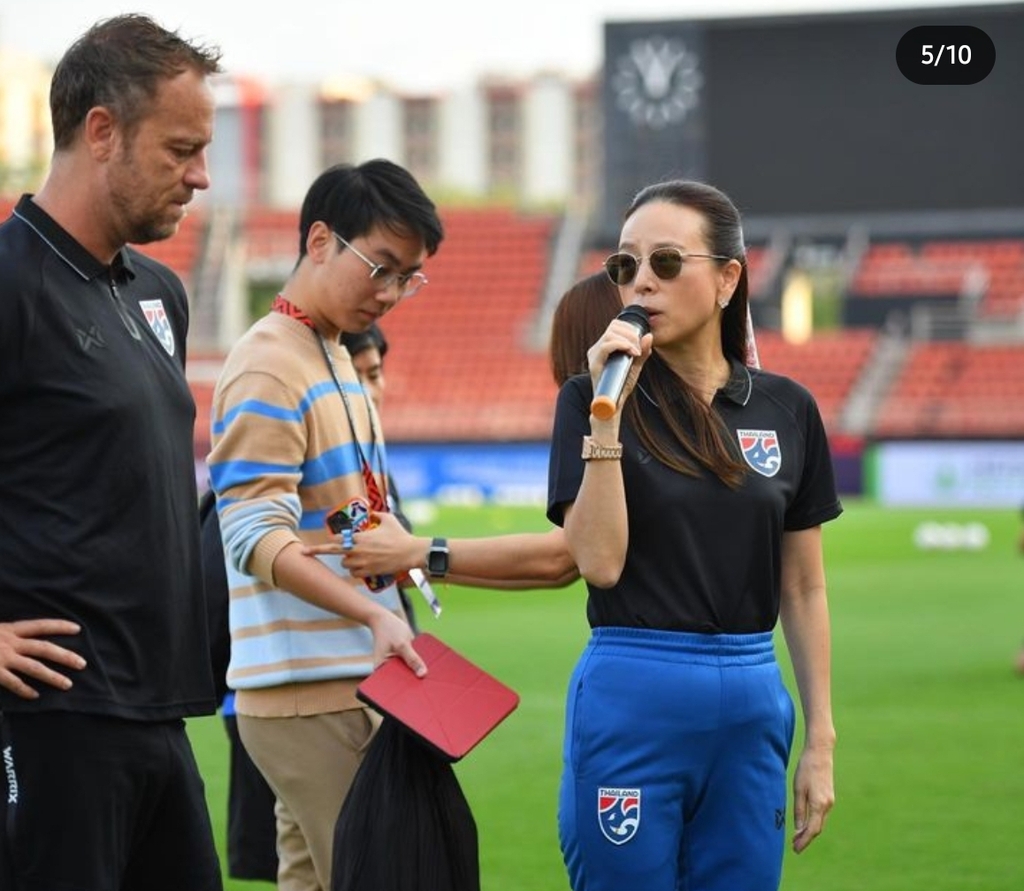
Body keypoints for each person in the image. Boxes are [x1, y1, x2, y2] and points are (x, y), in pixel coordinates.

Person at [546, 179, 841, 891]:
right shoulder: (589, 399)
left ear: (727, 279)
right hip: (633, 687)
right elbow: (598, 560)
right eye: (626, 265)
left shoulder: (788, 408)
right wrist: (607, 417)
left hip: (751, 694)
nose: (641, 280)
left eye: (667, 262)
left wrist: (821, 737)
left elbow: (801, 584)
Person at [0, 14, 224, 891]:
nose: (200, 176)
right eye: (181, 149)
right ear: (102, 131)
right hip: (52, 724)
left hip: (159, 713)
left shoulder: (157, 291)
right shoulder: (10, 284)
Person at [206, 159, 443, 891]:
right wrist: (372, 611)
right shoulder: (268, 365)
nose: (392, 293)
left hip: (350, 679)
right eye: (380, 267)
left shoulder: (335, 354)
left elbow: (336, 516)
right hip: (307, 691)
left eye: (408, 276)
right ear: (318, 241)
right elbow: (250, 535)